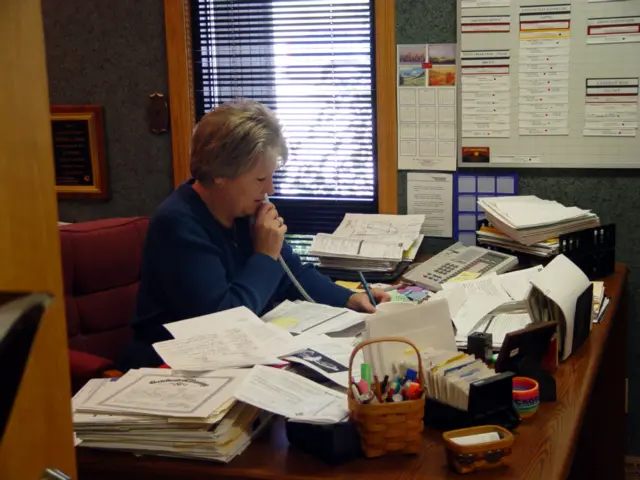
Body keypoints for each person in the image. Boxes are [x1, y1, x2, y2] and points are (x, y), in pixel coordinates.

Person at [121, 100, 390, 369]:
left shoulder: (244, 211)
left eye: (272, 177)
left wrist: (348, 298)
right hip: (170, 366)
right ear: (220, 175)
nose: (269, 189)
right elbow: (223, 320)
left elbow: (291, 273)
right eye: (260, 180)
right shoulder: (178, 224)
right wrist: (264, 255)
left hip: (238, 353)